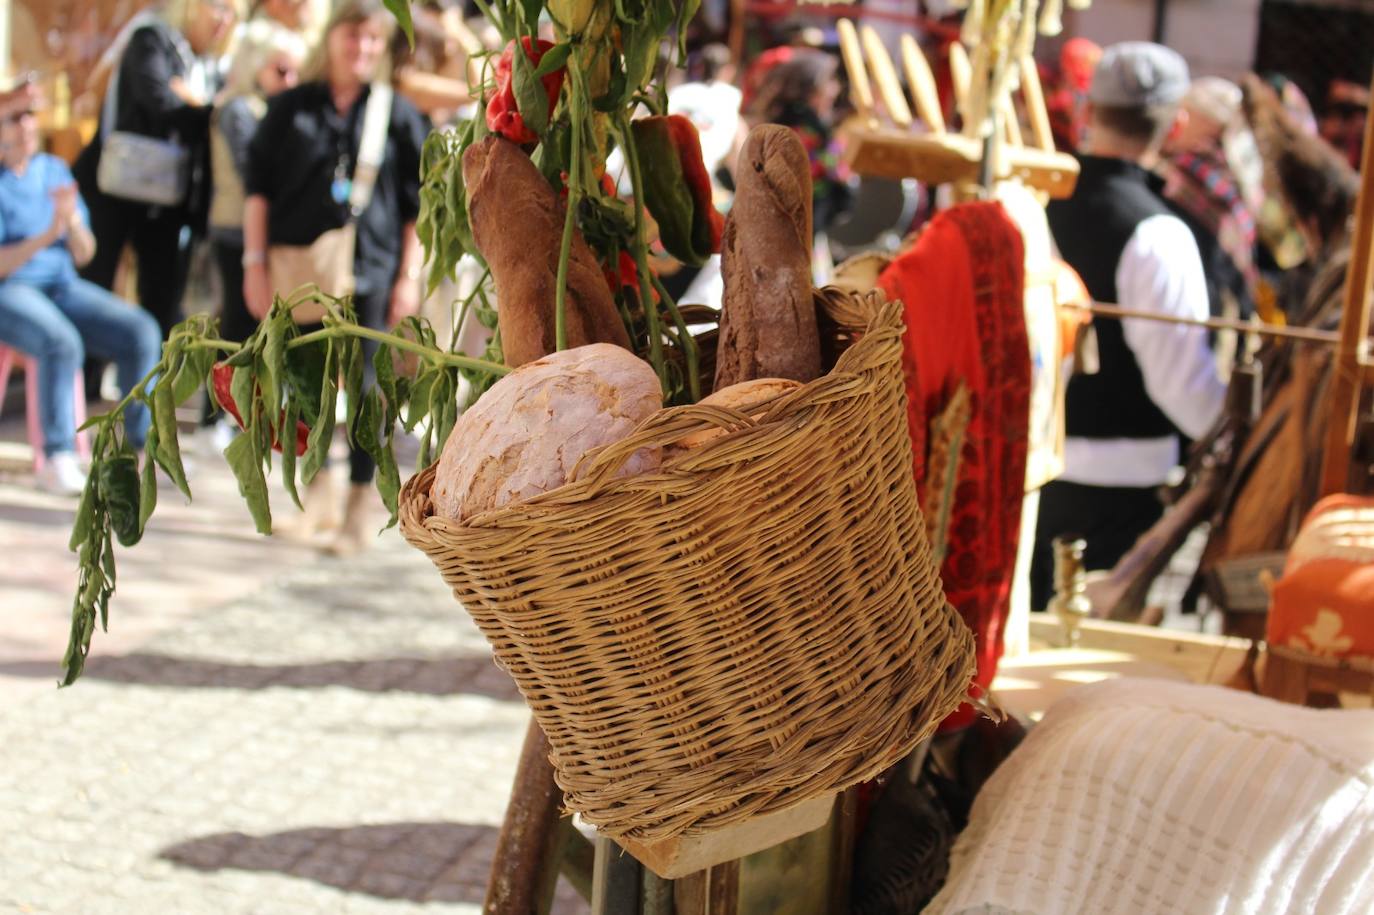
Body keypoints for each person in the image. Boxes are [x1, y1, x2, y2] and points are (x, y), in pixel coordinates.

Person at [1033, 42, 1227, 609]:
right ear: (1177, 126)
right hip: (1120, 490)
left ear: (1088, 112)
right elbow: (1180, 384)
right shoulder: (1159, 233)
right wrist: (1229, 433)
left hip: (1036, 467)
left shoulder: (1036, 203)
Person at [243, 0, 428, 555]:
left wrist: (408, 277)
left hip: (369, 267)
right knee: (302, 386)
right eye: (354, 36)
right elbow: (258, 190)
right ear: (332, 38)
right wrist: (252, 265)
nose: (363, 49)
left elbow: (414, 208)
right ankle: (313, 499)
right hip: (298, 269)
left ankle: (355, 509)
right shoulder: (291, 107)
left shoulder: (396, 113)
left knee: (369, 390)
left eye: (374, 40)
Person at [0, 88, 161, 495]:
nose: (27, 125)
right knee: (61, 342)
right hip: (11, 290)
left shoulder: (54, 170)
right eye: (15, 117)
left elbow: (86, 253)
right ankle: (57, 457)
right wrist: (48, 234)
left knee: (140, 330)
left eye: (30, 116)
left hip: (62, 286)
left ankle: (137, 448)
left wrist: (71, 224)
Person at [73, 0, 238, 340]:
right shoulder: (152, 36)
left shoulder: (208, 63)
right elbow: (159, 101)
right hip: (112, 187)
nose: (223, 19)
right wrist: (206, 109)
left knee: (161, 299)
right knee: (96, 284)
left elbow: (204, 113)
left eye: (231, 11)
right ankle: (87, 382)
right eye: (217, 6)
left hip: (167, 200)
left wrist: (195, 102)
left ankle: (148, 384)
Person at [1159, 77, 1258, 322]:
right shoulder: (1239, 168)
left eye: (1185, 112)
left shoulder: (1192, 171)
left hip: (1203, 297)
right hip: (1228, 294)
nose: (1177, 120)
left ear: (1208, 122)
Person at [745, 48, 851, 236]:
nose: (835, 89)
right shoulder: (804, 132)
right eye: (830, 82)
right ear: (811, 88)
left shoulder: (780, 122)